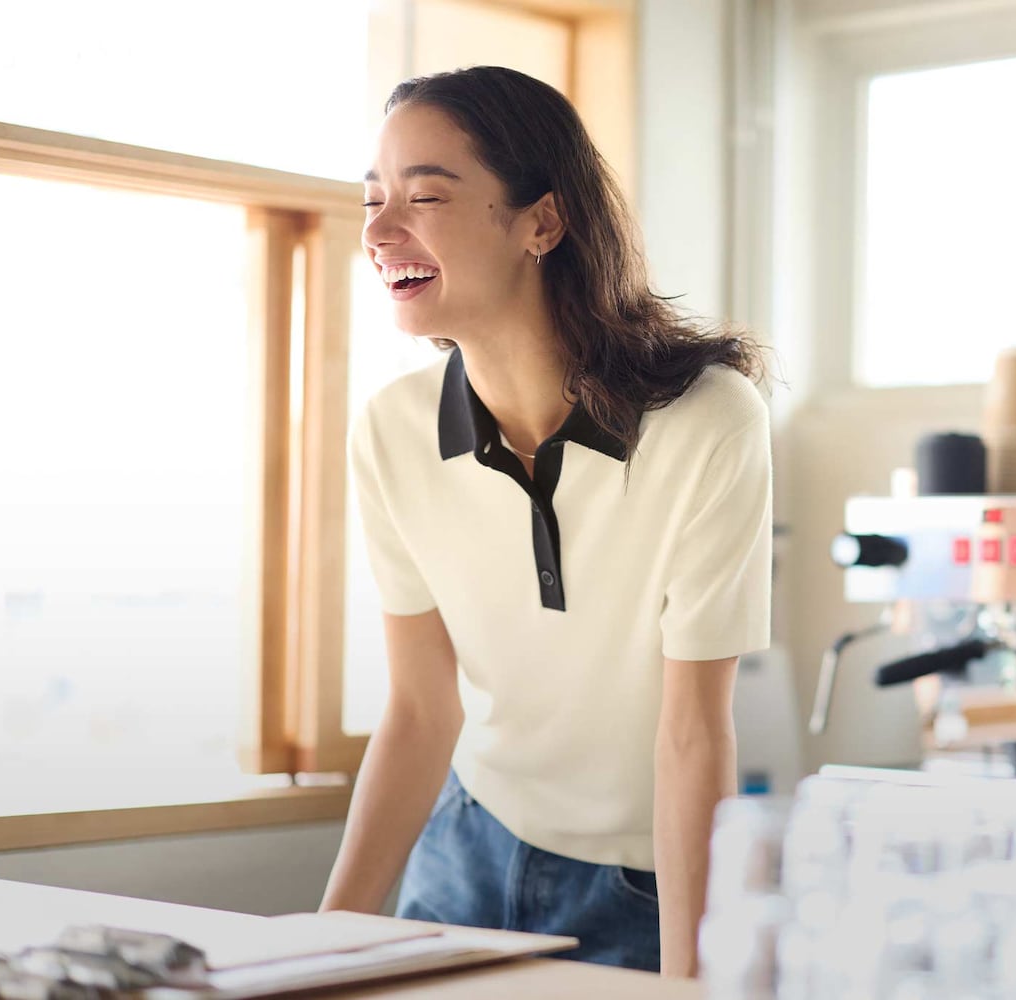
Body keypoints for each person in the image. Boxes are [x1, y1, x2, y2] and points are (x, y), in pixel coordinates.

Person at [317, 66, 772, 978]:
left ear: (542, 222)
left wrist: (692, 981)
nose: (378, 230)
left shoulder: (707, 422)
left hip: (642, 888)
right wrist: (319, 940)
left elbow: (694, 734)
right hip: (464, 851)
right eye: (374, 200)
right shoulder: (394, 431)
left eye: (426, 195)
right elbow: (418, 707)